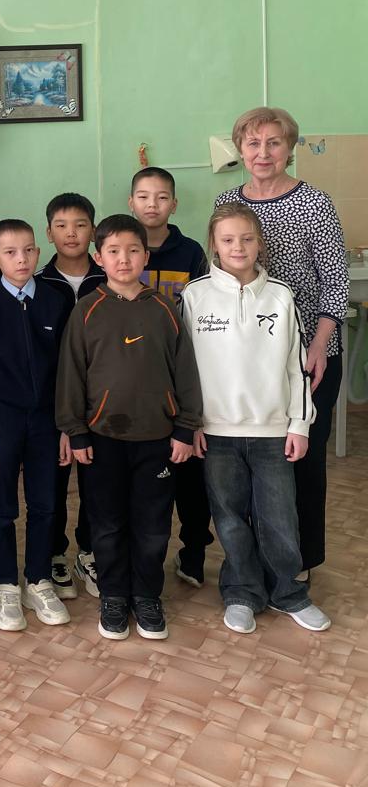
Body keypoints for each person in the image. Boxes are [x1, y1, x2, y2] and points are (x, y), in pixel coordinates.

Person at [180, 206, 330, 633]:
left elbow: (296, 367)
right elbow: (184, 370)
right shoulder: (194, 296)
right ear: (214, 244)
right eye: (228, 240)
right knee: (229, 519)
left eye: (247, 239)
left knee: (280, 519)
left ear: (259, 243)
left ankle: (288, 592)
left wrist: (299, 424)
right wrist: (192, 424)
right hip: (216, 433)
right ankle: (242, 592)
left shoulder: (281, 295)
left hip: (273, 433)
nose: (238, 247)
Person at [214, 107, 349, 578]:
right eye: (253, 143)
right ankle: (254, 557)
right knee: (254, 462)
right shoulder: (228, 200)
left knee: (302, 457)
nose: (263, 152)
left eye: (273, 142)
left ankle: (299, 561)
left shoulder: (314, 202)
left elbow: (336, 281)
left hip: (308, 355)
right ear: (240, 149)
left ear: (289, 147)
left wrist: (320, 344)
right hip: (249, 358)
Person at [56, 214, 202, 641]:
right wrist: (75, 430)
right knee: (107, 523)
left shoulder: (165, 309)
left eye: (133, 250)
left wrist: (185, 427)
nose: (124, 259)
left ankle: (147, 595)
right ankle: (114, 595)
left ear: (146, 256)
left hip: (158, 440)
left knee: (153, 524)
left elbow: (186, 372)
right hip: (102, 440)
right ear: (99, 257)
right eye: (114, 251)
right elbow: (71, 376)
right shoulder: (86, 310)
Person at [0, 219, 71, 631]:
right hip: (1, 422)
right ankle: (6, 584)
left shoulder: (55, 301)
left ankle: (38, 580)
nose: (21, 259)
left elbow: (68, 370)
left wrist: (67, 427)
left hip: (47, 422)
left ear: (38, 252)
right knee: (3, 506)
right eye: (10, 252)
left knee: (46, 504)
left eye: (28, 250)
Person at [128, 166, 213, 590]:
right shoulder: (123, 247)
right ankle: (141, 559)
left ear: (174, 205)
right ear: (131, 203)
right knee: (149, 478)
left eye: (162, 197)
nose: (152, 205)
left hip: (184, 371)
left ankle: (193, 552)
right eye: (144, 197)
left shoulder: (191, 252)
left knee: (192, 474)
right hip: (138, 379)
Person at [39, 192, 105, 600]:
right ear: (49, 233)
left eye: (80, 225)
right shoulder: (37, 283)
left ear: (93, 231)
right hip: (52, 403)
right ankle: (54, 553)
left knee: (97, 483)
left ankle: (90, 551)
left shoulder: (109, 279)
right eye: (61, 226)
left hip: (102, 403)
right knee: (53, 483)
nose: (71, 233)